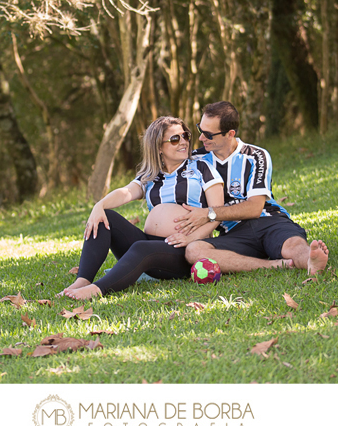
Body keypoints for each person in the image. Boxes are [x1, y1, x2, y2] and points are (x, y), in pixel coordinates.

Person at [59, 116, 225, 300]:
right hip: (152, 243)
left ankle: (97, 290)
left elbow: (218, 213)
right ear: (158, 147)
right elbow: (126, 192)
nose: (184, 142)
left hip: (186, 248)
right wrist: (99, 205)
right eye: (175, 139)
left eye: (185, 136)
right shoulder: (151, 175)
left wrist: (192, 238)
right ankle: (83, 280)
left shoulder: (201, 167)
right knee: (106, 217)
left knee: (141, 248)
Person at [176, 101, 329, 275]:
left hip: (270, 221)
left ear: (230, 134)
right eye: (200, 130)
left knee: (293, 246)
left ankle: (311, 260)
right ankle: (276, 265)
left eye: (208, 134)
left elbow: (255, 208)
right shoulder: (195, 159)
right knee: (194, 251)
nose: (201, 138)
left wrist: (209, 213)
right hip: (233, 233)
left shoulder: (256, 155)